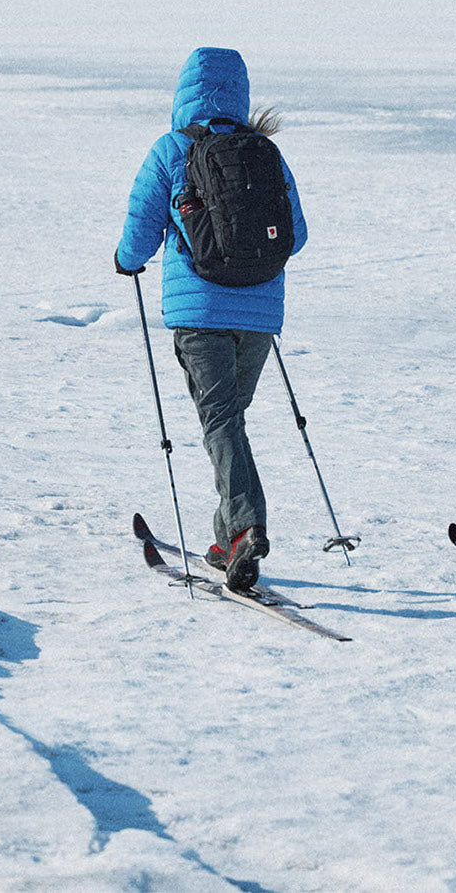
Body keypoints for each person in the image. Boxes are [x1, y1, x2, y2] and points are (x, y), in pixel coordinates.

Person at [115, 46, 307, 592]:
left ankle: (247, 527)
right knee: (230, 421)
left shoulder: (172, 150)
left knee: (221, 421)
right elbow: (300, 232)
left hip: (198, 310)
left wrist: (127, 262)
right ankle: (226, 541)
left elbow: (141, 229)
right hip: (260, 312)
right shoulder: (265, 151)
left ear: (183, 92)